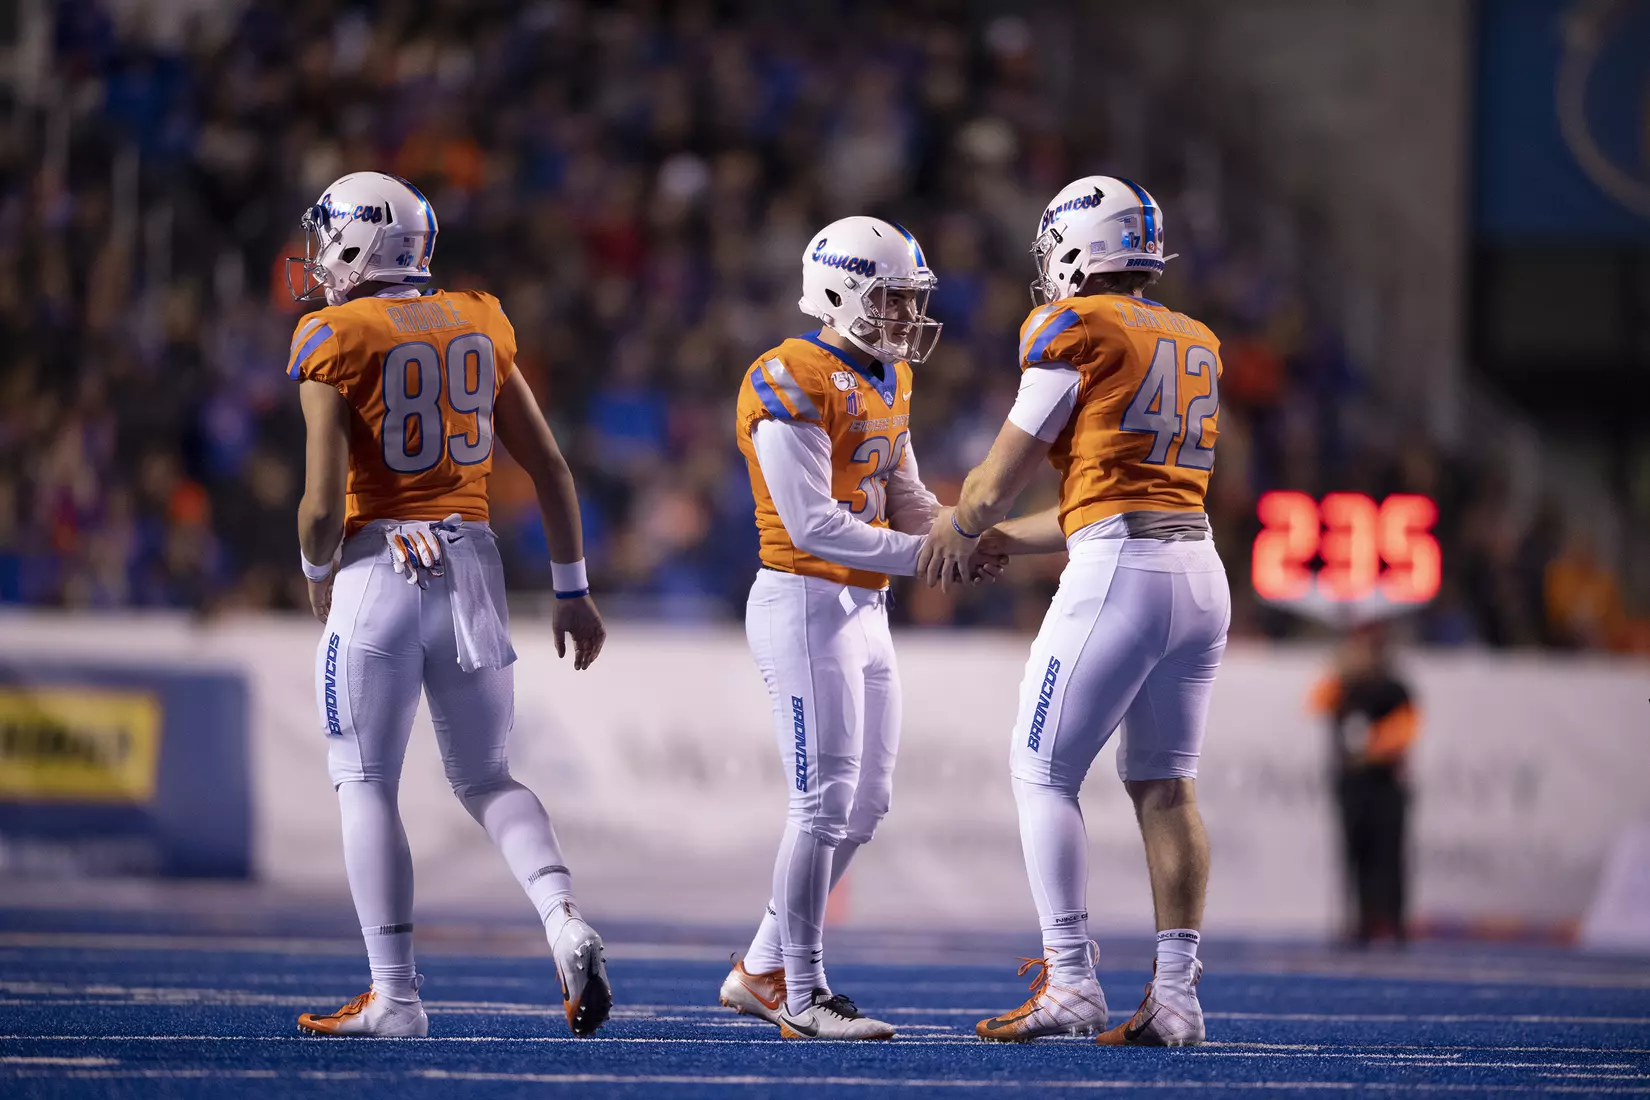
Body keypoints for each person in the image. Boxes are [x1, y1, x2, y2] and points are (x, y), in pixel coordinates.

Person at [287, 172, 610, 1038]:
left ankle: (396, 995)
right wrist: (573, 591)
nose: (318, 257)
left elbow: (322, 501)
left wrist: (317, 568)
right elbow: (550, 469)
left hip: (377, 566)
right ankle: (561, 915)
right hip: (471, 566)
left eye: (329, 238)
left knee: (364, 781)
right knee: (488, 778)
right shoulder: (482, 317)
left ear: (359, 244)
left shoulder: (331, 333)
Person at [920, 176, 1229, 1047]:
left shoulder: (1072, 325)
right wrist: (1003, 542)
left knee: (1040, 772)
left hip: (1122, 574)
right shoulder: (1195, 337)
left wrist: (960, 522)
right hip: (1197, 571)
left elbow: (993, 479)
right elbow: (1108, 495)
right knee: (1167, 787)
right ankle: (1175, 997)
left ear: (1074, 246)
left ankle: (1070, 981)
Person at [718, 216, 976, 1040]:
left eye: (911, 300)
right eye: (891, 299)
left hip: (864, 605)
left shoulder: (890, 377)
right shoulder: (786, 375)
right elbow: (811, 527)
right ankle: (803, 992)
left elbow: (906, 494)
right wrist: (929, 557)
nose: (905, 317)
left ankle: (761, 968)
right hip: (802, 596)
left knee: (864, 806)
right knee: (821, 802)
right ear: (839, 289)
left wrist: (959, 537)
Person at [1308, 624, 1420, 944]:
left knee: (1389, 855)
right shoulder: (1343, 687)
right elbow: (1314, 702)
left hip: (1385, 785)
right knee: (1353, 855)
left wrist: (1370, 752)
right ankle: (1360, 922)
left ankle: (1395, 923)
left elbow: (1406, 729)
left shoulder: (1394, 688)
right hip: (1352, 786)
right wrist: (1338, 673)